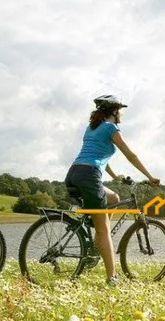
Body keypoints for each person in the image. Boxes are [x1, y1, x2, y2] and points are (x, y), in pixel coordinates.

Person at [65, 94, 159, 285]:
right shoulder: (111, 128)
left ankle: (94, 246)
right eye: (120, 111)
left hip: (74, 173)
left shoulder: (92, 128)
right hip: (89, 176)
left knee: (114, 198)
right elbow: (130, 155)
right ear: (114, 112)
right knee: (104, 229)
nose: (121, 115)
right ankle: (112, 277)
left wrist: (115, 176)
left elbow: (98, 157)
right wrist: (150, 177)